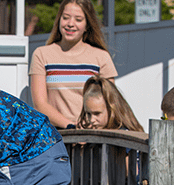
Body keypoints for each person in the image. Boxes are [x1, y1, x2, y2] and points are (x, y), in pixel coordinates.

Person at [29, 0, 117, 129]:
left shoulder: (101, 57)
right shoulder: (42, 54)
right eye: (65, 18)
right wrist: (72, 127)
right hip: (57, 137)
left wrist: (88, 129)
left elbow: (111, 103)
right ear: (59, 20)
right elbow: (40, 104)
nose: (70, 24)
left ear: (87, 25)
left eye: (78, 19)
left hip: (93, 136)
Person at [77, 75, 143, 131]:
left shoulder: (126, 138)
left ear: (111, 109)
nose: (91, 120)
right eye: (88, 114)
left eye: (97, 113)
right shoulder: (92, 134)